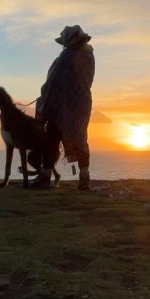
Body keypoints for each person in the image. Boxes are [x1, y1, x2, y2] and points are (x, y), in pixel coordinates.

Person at [32, 25, 95, 190]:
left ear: (69, 40)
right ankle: (84, 179)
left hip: (60, 105)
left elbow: (54, 82)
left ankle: (45, 177)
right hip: (81, 104)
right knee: (80, 139)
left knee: (52, 138)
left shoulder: (67, 56)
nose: (64, 45)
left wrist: (44, 100)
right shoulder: (89, 56)